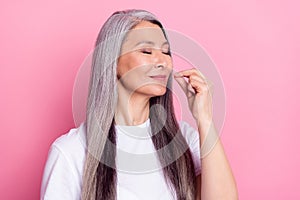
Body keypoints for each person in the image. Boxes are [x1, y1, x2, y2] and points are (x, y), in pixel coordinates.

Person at [41, 9, 238, 200]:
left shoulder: (185, 140)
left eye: (166, 52)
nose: (163, 61)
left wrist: (204, 118)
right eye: (146, 51)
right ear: (113, 62)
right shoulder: (71, 151)